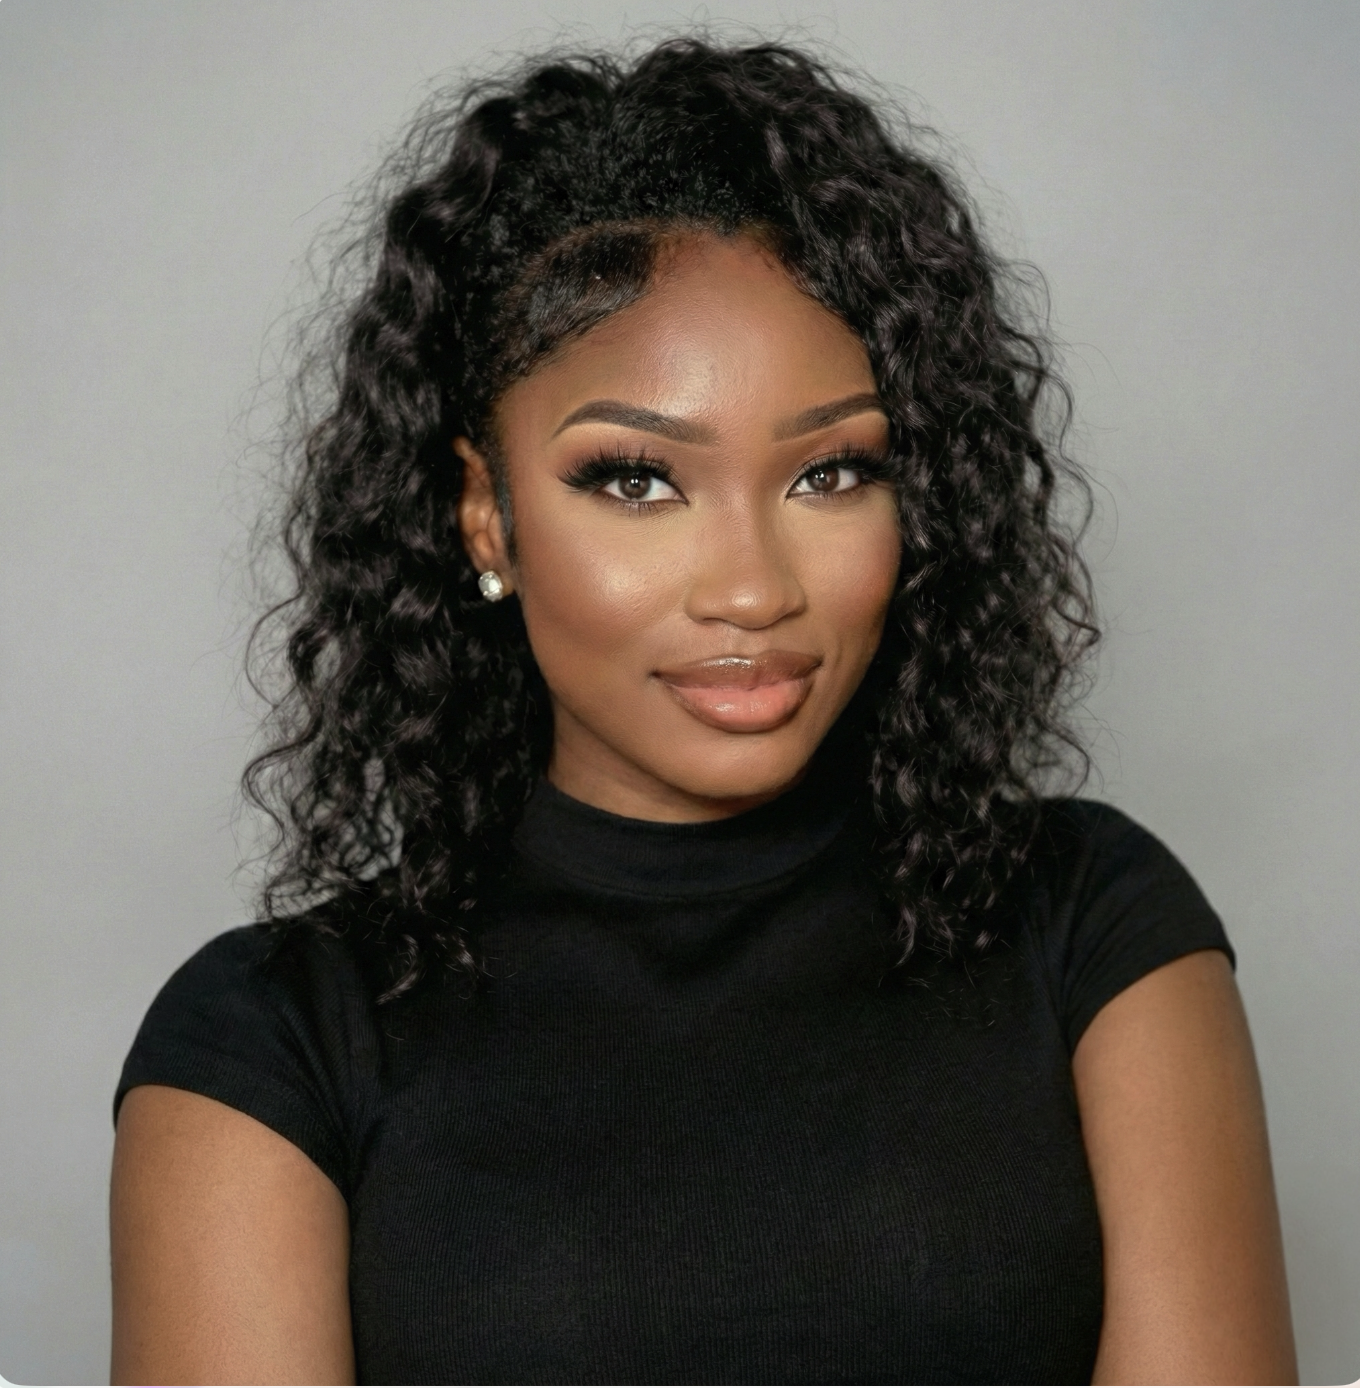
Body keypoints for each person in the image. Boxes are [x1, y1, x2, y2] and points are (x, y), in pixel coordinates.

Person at [108, 37, 1296, 1386]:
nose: (750, 587)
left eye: (835, 472)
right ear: (485, 510)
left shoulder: (1089, 927)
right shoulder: (276, 1039)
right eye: (634, 479)